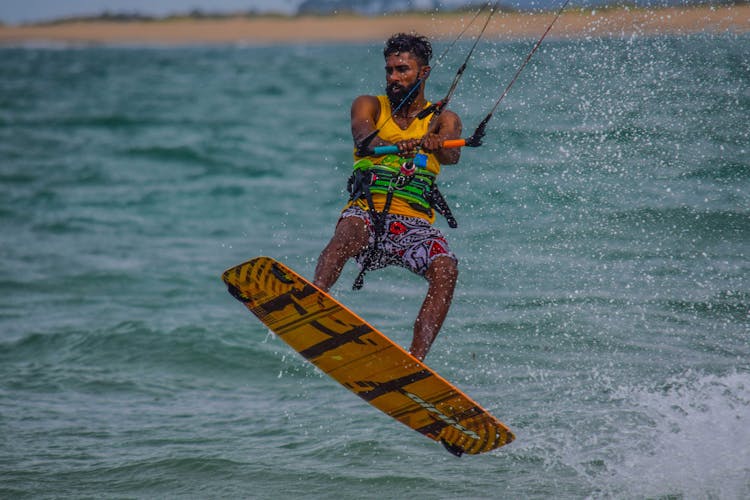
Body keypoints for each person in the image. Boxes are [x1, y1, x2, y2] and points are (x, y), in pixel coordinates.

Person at [314, 33, 463, 362]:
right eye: (389, 70)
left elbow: (453, 153)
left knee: (446, 268)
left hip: (413, 226)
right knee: (347, 233)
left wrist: (439, 143)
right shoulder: (369, 105)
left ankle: (415, 362)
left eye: (403, 70)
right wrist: (399, 144)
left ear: (423, 73)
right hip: (368, 212)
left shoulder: (443, 118)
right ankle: (313, 304)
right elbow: (364, 136)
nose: (393, 78)